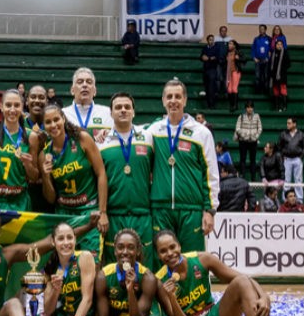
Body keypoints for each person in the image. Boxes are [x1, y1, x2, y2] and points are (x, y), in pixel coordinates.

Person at [154, 230, 292, 316]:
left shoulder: (202, 259)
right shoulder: (160, 282)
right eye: (163, 251)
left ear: (179, 245)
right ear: (158, 255)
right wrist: (172, 297)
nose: (170, 253)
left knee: (241, 283)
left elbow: (242, 279)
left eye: (172, 247)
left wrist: (263, 295)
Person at [68, 229, 180, 316]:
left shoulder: (147, 277)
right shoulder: (103, 276)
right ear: (115, 250)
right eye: (120, 247)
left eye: (131, 248)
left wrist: (130, 292)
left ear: (137, 251)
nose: (125, 252)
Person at [148, 79, 219, 257]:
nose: (174, 101)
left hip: (191, 210)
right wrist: (105, 133)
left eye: (178, 96)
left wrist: (209, 210)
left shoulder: (201, 133)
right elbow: (128, 133)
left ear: (185, 100)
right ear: (163, 100)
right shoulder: (153, 131)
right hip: (160, 209)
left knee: (193, 260)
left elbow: (210, 174)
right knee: (161, 262)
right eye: (169, 96)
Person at [40, 104, 108, 259]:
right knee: (66, 264)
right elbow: (51, 198)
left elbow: (101, 173)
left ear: (63, 119)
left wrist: (103, 212)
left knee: (91, 262)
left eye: (56, 119)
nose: (53, 125)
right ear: (44, 126)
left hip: (88, 211)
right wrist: (45, 175)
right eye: (48, 122)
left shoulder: (82, 139)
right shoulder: (44, 155)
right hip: (64, 213)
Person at [98, 92, 153, 265]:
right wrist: (103, 212)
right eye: (118, 107)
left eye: (127, 107)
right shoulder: (101, 142)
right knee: (113, 266)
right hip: (114, 215)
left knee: (145, 264)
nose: (123, 110)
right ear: (111, 112)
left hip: (143, 214)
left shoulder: (149, 137)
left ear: (134, 112)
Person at [35, 222, 97, 316]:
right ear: (53, 242)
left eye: (70, 238)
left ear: (75, 239)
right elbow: (48, 311)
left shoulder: (84, 257)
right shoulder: (52, 267)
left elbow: (87, 299)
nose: (66, 242)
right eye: (61, 238)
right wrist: (56, 290)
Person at [0, 89, 39, 211]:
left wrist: (27, 164)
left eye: (17, 105)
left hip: (19, 202)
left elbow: (34, 177)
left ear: (22, 108)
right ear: (1, 107)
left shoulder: (31, 136)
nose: (12, 110)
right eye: (8, 105)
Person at [63, 67, 113, 143]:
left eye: (89, 82)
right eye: (80, 82)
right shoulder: (63, 114)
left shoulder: (108, 113)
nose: (85, 85)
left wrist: (109, 133)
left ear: (95, 91)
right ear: (72, 90)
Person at [232, 100, 261, 181]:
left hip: (253, 141)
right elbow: (237, 128)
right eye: (248, 107)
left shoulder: (257, 116)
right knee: (243, 159)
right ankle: (242, 176)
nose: (250, 109)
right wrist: (244, 135)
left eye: (251, 107)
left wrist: (256, 136)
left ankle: (253, 178)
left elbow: (260, 128)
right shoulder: (241, 116)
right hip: (243, 141)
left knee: (253, 160)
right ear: (245, 108)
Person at [278, 117, 304, 203]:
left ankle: (299, 200)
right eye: (287, 123)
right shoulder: (283, 134)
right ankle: (285, 199)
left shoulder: (301, 134)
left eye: (289, 123)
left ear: (294, 124)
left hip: (297, 159)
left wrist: (300, 158)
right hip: (287, 159)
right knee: (287, 180)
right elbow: (279, 146)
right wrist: (283, 156)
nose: (287, 125)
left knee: (298, 180)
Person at [269, 40, 290, 112]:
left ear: (282, 45)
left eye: (281, 44)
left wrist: (281, 70)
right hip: (274, 76)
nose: (279, 45)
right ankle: (277, 106)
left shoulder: (285, 53)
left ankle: (284, 106)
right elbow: (270, 65)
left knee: (283, 91)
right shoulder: (273, 53)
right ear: (275, 45)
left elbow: (288, 64)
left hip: (282, 76)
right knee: (276, 92)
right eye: (278, 44)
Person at [200, 34, 219, 110]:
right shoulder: (205, 48)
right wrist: (202, 57)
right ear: (207, 40)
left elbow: (218, 57)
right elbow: (201, 56)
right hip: (205, 70)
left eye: (212, 39)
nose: (211, 41)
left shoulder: (216, 48)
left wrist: (210, 58)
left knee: (211, 88)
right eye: (210, 39)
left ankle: (212, 105)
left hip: (213, 70)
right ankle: (208, 104)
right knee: (207, 88)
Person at [251, 24, 270, 95]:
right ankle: (257, 92)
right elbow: (253, 49)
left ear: (265, 30)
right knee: (257, 76)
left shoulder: (269, 39)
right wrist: (254, 58)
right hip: (258, 60)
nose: (261, 30)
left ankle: (265, 91)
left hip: (266, 60)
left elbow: (271, 50)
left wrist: (268, 58)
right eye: (260, 29)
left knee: (266, 76)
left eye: (263, 29)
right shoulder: (256, 39)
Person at [225, 40, 244, 112]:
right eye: (229, 44)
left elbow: (244, 59)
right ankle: (231, 105)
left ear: (234, 45)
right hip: (229, 72)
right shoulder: (227, 53)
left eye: (231, 44)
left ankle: (235, 106)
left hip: (236, 71)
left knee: (234, 88)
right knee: (229, 89)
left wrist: (238, 58)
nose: (229, 45)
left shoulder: (238, 52)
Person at [215, 25, 231, 97]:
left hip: (227, 62)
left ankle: (226, 92)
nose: (223, 32)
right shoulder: (216, 39)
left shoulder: (230, 39)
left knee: (226, 78)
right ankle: (217, 92)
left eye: (225, 31)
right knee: (218, 77)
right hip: (218, 62)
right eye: (222, 31)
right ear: (220, 31)